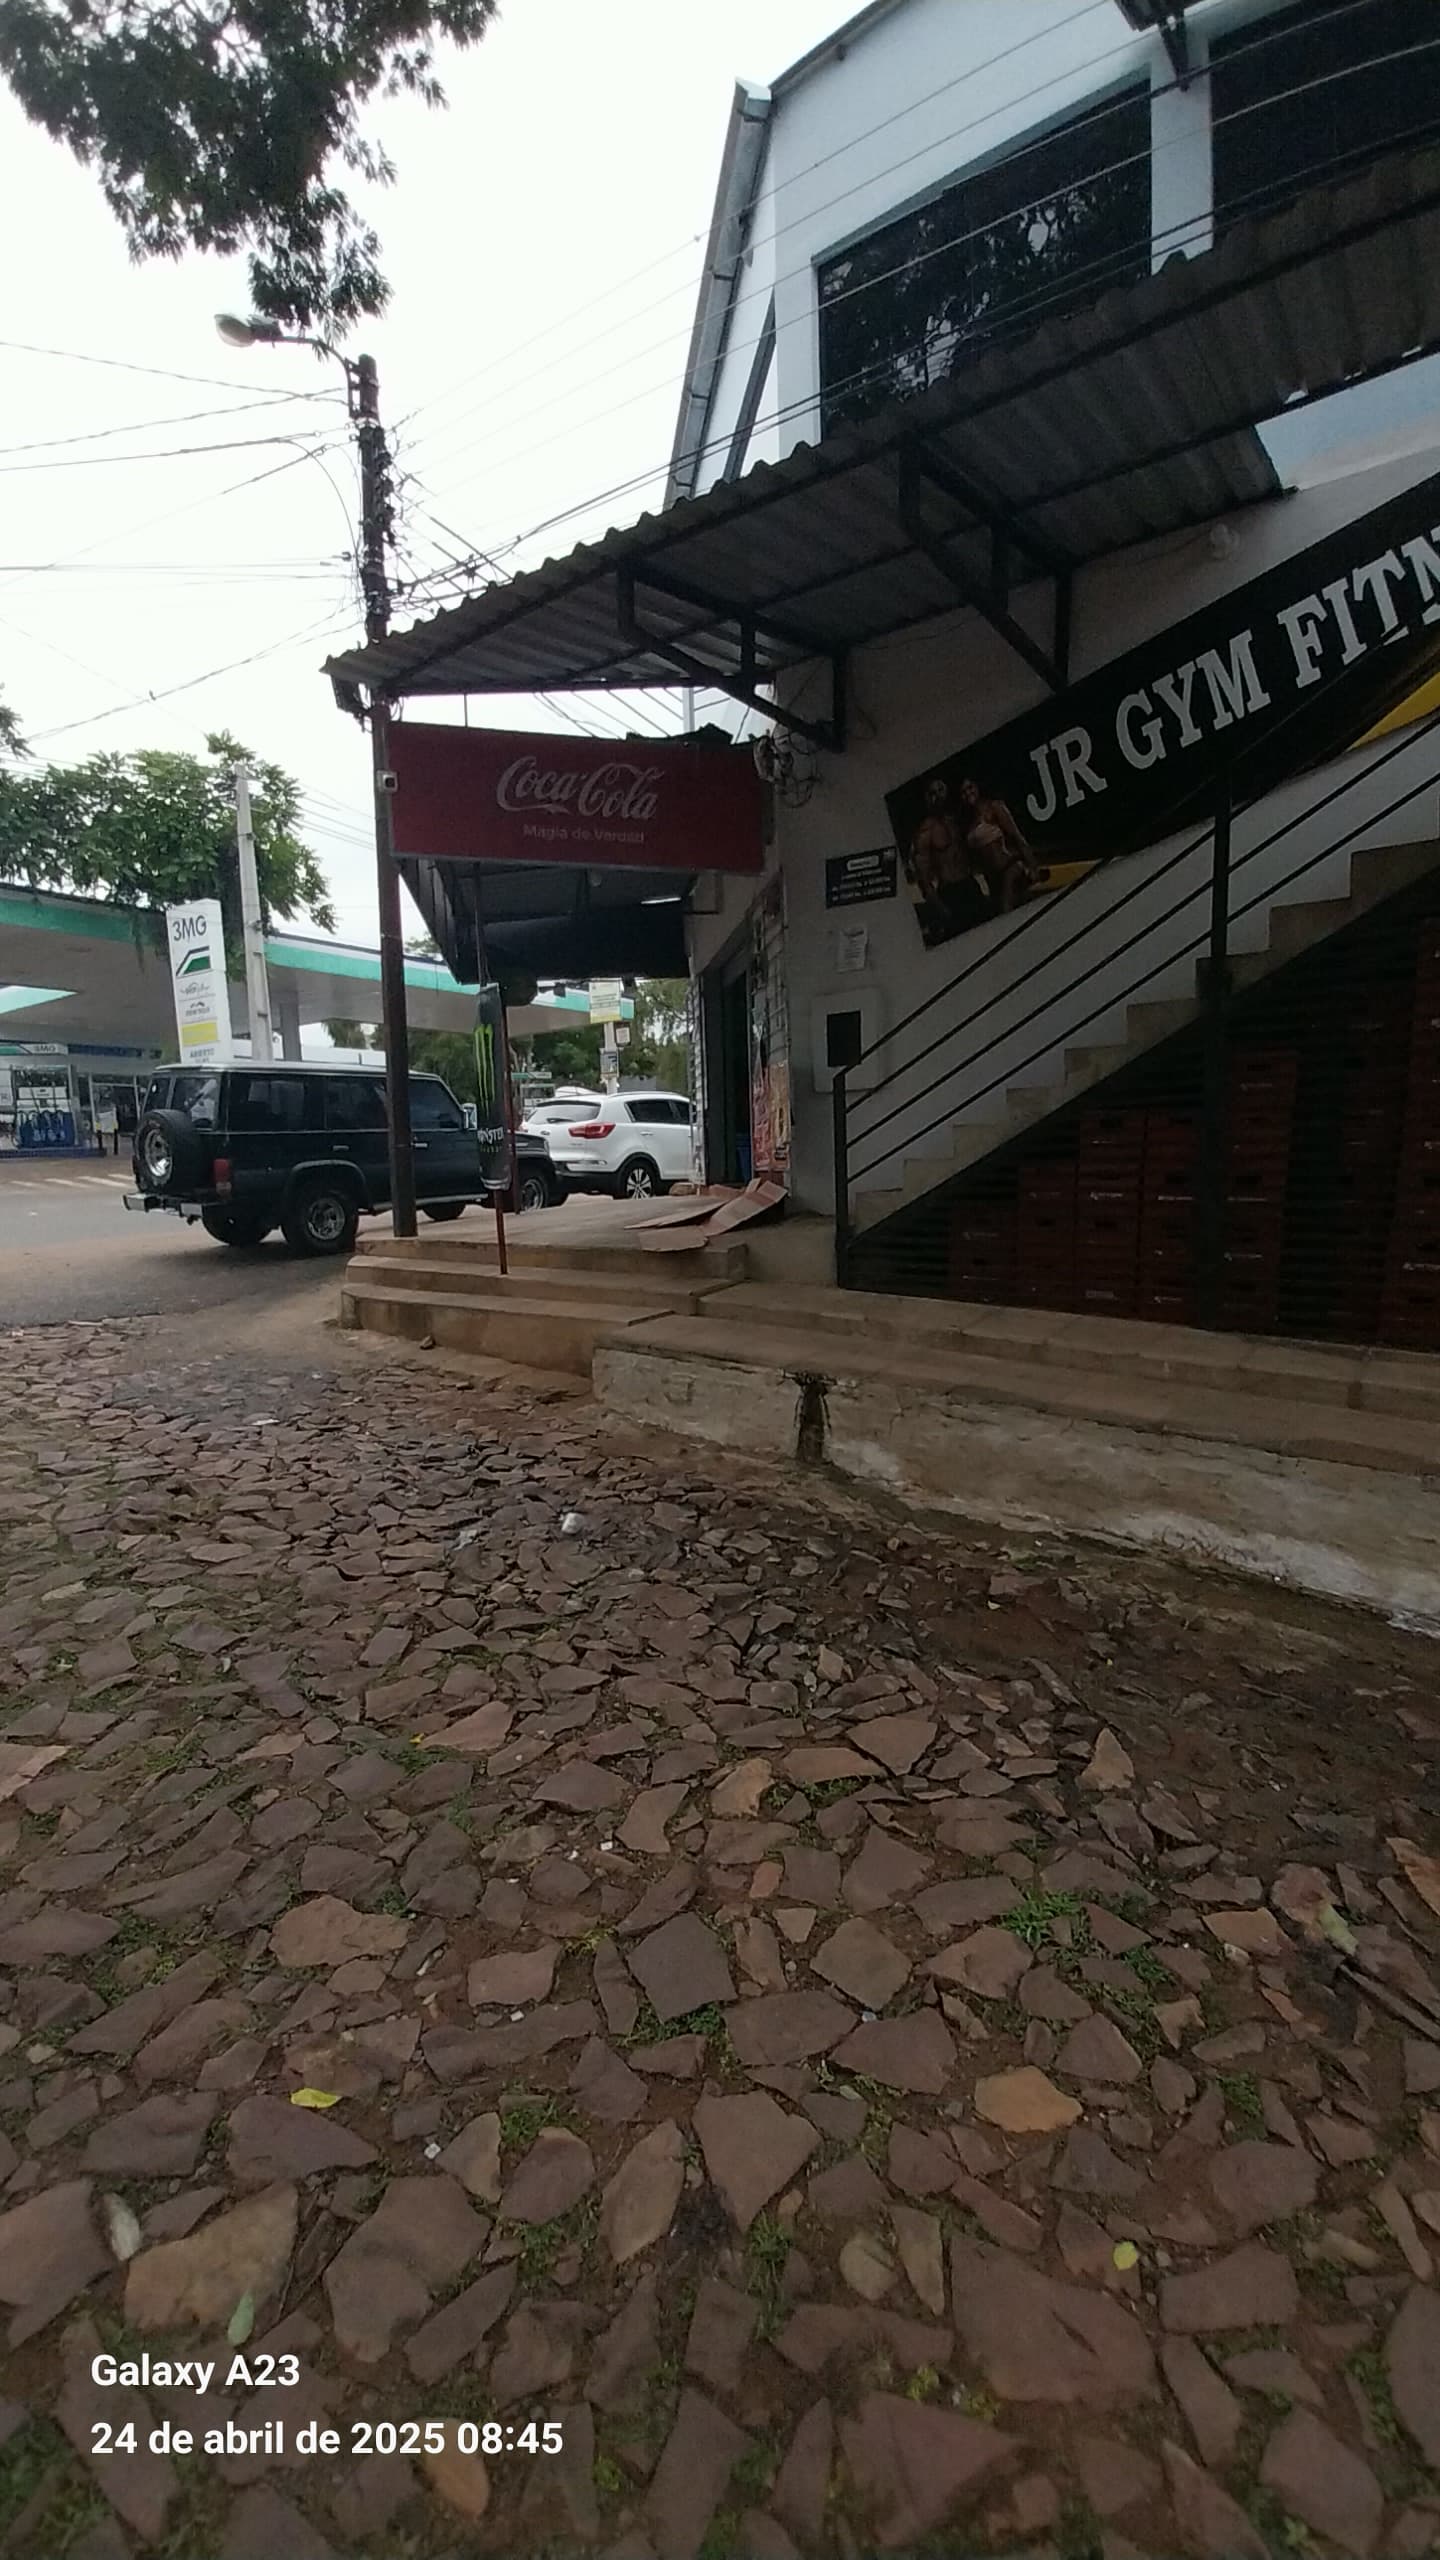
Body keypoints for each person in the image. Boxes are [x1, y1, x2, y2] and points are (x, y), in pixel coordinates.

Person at [957, 775, 1041, 913]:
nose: (968, 793)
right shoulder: (967, 822)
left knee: (1006, 908)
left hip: (1009, 867)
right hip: (992, 877)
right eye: (963, 792)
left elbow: (1016, 836)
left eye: (970, 788)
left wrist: (1033, 866)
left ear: (977, 787)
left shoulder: (993, 807)